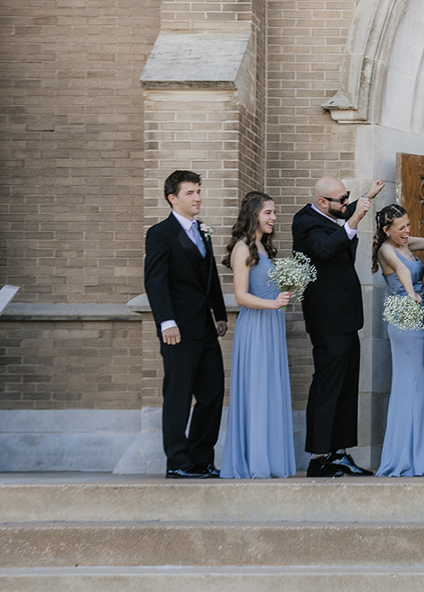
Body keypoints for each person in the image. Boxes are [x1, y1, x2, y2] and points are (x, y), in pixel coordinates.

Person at [292, 175, 384, 478]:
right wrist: (355, 218)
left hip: (345, 317)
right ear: (322, 202)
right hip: (327, 318)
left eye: (347, 197)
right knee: (328, 384)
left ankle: (340, 452)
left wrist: (365, 196)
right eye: (341, 199)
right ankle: (320, 456)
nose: (347, 203)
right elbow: (326, 248)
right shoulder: (305, 222)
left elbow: (347, 211)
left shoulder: (334, 211)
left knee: (346, 384)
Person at [143, 169, 228, 479]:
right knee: (179, 394)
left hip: (204, 327)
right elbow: (155, 281)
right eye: (190, 193)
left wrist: (219, 312)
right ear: (172, 198)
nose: (198, 198)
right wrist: (167, 322)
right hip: (177, 329)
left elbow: (210, 278)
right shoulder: (160, 233)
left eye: (198, 191)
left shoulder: (202, 231)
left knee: (213, 392)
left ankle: (201, 457)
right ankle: (177, 461)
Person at [222, 191, 295, 480]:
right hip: (255, 326)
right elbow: (240, 296)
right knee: (257, 391)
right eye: (268, 212)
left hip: (272, 326)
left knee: (271, 390)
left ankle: (271, 458)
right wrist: (273, 303)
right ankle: (255, 461)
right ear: (253, 214)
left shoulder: (264, 248)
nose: (273, 218)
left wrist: (284, 294)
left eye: (274, 212)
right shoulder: (242, 248)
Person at [373, 204, 424, 477]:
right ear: (386, 230)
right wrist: (410, 293)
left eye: (407, 225)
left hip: (418, 319)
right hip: (404, 317)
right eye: (400, 227)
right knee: (411, 385)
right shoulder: (386, 250)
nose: (406, 231)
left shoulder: (404, 242)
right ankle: (406, 457)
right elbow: (403, 271)